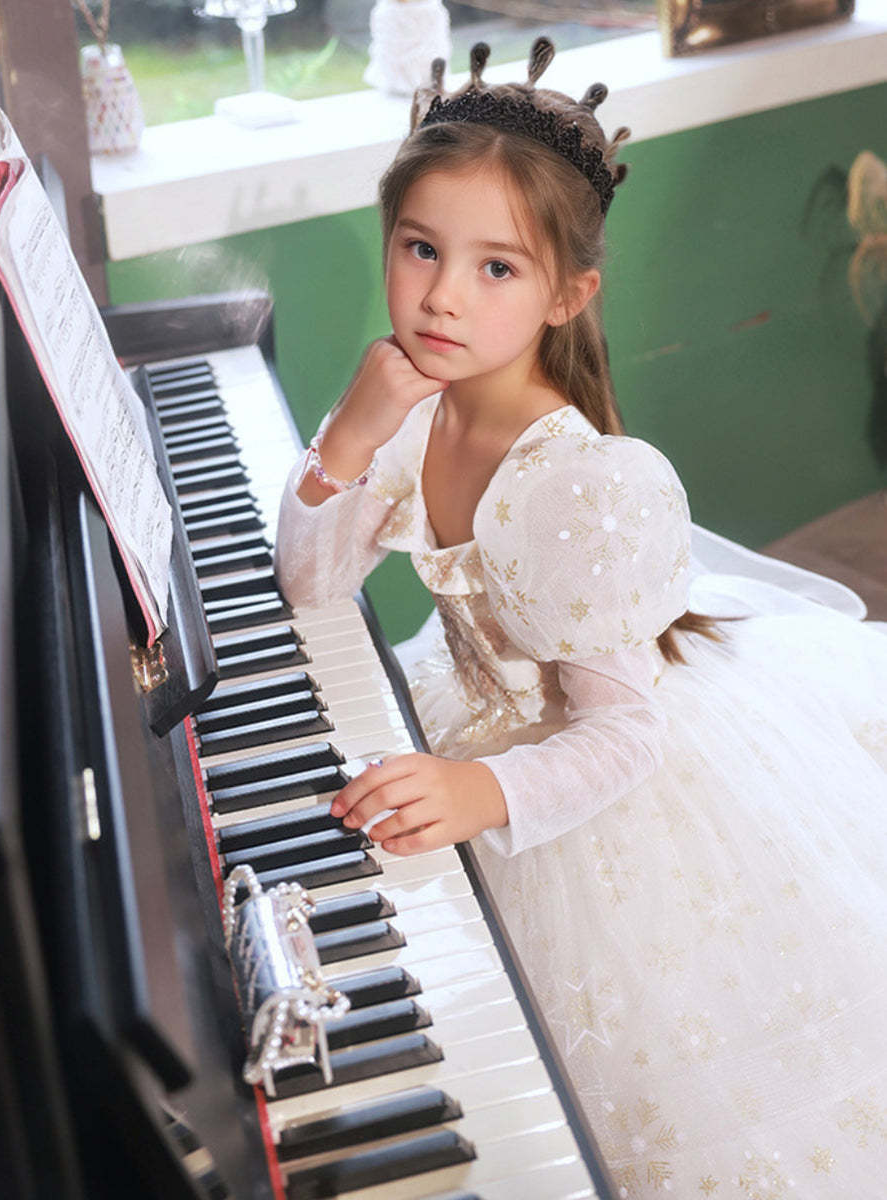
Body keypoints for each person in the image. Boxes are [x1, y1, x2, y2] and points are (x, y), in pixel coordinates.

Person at [274, 39, 887, 1197]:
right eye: (420, 249)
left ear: (566, 294)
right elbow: (307, 584)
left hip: (604, 768)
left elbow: (623, 737)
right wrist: (348, 439)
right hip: (492, 711)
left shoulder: (579, 485)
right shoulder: (411, 398)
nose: (443, 294)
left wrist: (478, 792)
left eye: (495, 268)